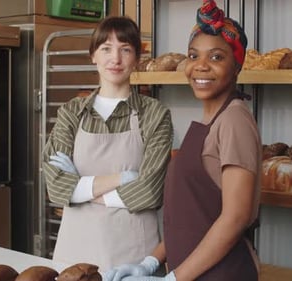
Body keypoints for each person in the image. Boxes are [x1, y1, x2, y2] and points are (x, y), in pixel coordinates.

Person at [103, 1, 261, 280]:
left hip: (222, 274)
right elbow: (190, 220)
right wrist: (151, 261)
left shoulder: (234, 121)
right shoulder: (205, 122)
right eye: (193, 55)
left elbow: (235, 219)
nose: (200, 67)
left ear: (237, 65)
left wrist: (176, 278)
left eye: (216, 57)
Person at [42, 15, 173, 271]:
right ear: (93, 56)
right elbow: (56, 188)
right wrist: (124, 178)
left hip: (134, 255)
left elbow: (150, 191)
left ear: (136, 59)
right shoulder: (71, 111)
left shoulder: (154, 113)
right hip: (75, 252)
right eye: (106, 49)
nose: (116, 59)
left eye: (125, 49)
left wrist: (81, 189)